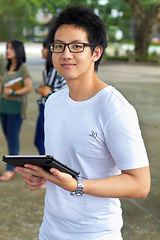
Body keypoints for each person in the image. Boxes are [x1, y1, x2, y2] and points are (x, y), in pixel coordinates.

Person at [17, 6, 150, 240]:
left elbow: (140, 185)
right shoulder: (53, 102)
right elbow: (64, 163)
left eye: (77, 46)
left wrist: (78, 185)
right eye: (58, 46)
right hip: (50, 230)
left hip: (96, 233)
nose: (66, 54)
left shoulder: (115, 109)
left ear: (96, 52)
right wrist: (41, 174)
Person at [0, 39, 32, 181]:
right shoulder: (6, 67)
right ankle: (13, 164)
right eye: (7, 47)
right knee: (8, 137)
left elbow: (28, 87)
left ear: (18, 51)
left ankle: (11, 168)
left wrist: (13, 93)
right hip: (3, 106)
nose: (8, 50)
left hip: (16, 108)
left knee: (13, 138)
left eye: (11, 48)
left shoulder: (23, 68)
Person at [34, 40, 66, 155]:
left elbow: (44, 91)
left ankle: (45, 167)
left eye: (45, 48)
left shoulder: (53, 69)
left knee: (40, 141)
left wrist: (37, 89)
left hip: (48, 107)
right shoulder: (53, 69)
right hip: (54, 107)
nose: (42, 51)